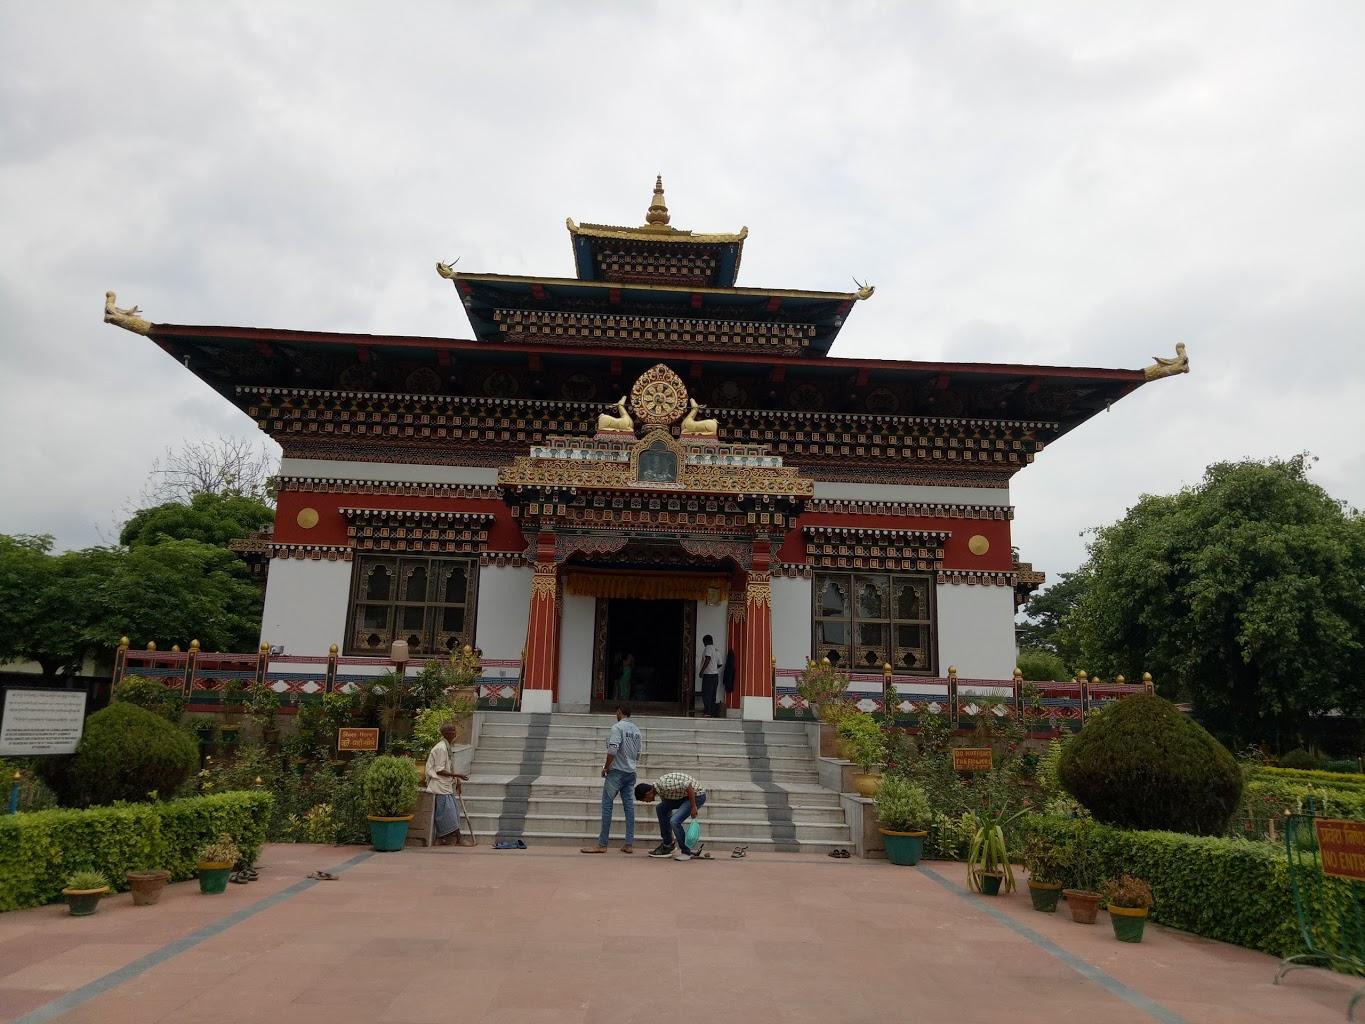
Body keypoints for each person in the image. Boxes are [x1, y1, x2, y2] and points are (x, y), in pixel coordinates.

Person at [581, 704, 642, 855]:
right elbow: (638, 754)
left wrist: (606, 768)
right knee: (629, 808)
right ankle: (628, 843)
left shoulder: (617, 727)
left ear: (619, 712)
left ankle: (602, 844)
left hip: (616, 772)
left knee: (607, 806)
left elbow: (612, 750)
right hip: (630, 772)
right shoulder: (636, 730)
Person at [636, 772, 707, 861]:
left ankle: (686, 852)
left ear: (648, 793)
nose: (646, 802)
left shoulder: (665, 786)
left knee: (674, 821)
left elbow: (688, 786)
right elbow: (667, 809)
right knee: (660, 808)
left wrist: (693, 807)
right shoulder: (659, 790)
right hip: (684, 796)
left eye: (645, 800)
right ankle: (668, 845)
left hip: (697, 795)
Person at [425, 721, 469, 846]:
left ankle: (443, 838)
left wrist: (457, 780)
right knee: (448, 813)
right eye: (452, 731)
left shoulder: (447, 746)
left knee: (453, 811)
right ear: (446, 733)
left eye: (455, 730)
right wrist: (458, 775)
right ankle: (458, 838)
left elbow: (449, 766)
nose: (455, 733)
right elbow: (439, 770)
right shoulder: (441, 748)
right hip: (439, 785)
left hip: (446, 785)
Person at [699, 635, 721, 717]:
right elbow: (720, 664)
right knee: (712, 694)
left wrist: (702, 671)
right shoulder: (716, 650)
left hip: (708, 675)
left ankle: (707, 711)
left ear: (706, 641)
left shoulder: (708, 648)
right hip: (715, 676)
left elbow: (708, 659)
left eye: (704, 642)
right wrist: (713, 668)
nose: (704, 644)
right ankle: (712, 711)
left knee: (706, 693)